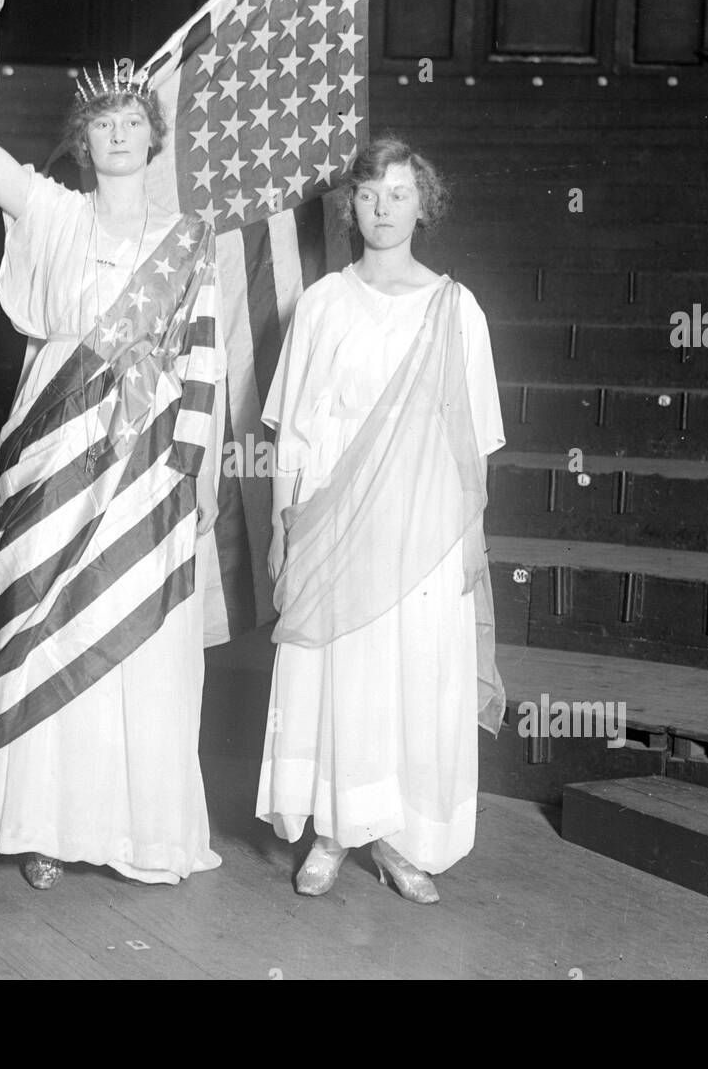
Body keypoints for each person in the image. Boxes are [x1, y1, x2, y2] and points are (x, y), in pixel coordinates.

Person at [0, 0, 227, 888]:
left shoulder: (190, 240)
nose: (117, 134)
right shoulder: (53, 212)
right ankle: (43, 824)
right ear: (84, 139)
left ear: (156, 137)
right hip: (56, 451)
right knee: (46, 619)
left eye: (133, 122)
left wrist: (203, 481)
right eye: (102, 123)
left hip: (150, 461)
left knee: (141, 642)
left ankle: (139, 833)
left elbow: (207, 370)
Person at [257, 138, 506, 904]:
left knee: (413, 675)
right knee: (343, 671)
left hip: (423, 526)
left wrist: (468, 542)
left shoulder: (457, 309)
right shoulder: (324, 303)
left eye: (399, 194)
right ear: (351, 206)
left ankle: (401, 841)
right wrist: (281, 526)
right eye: (369, 195)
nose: (383, 208)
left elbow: (473, 447)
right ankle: (334, 832)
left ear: (423, 204)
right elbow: (291, 431)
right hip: (335, 515)